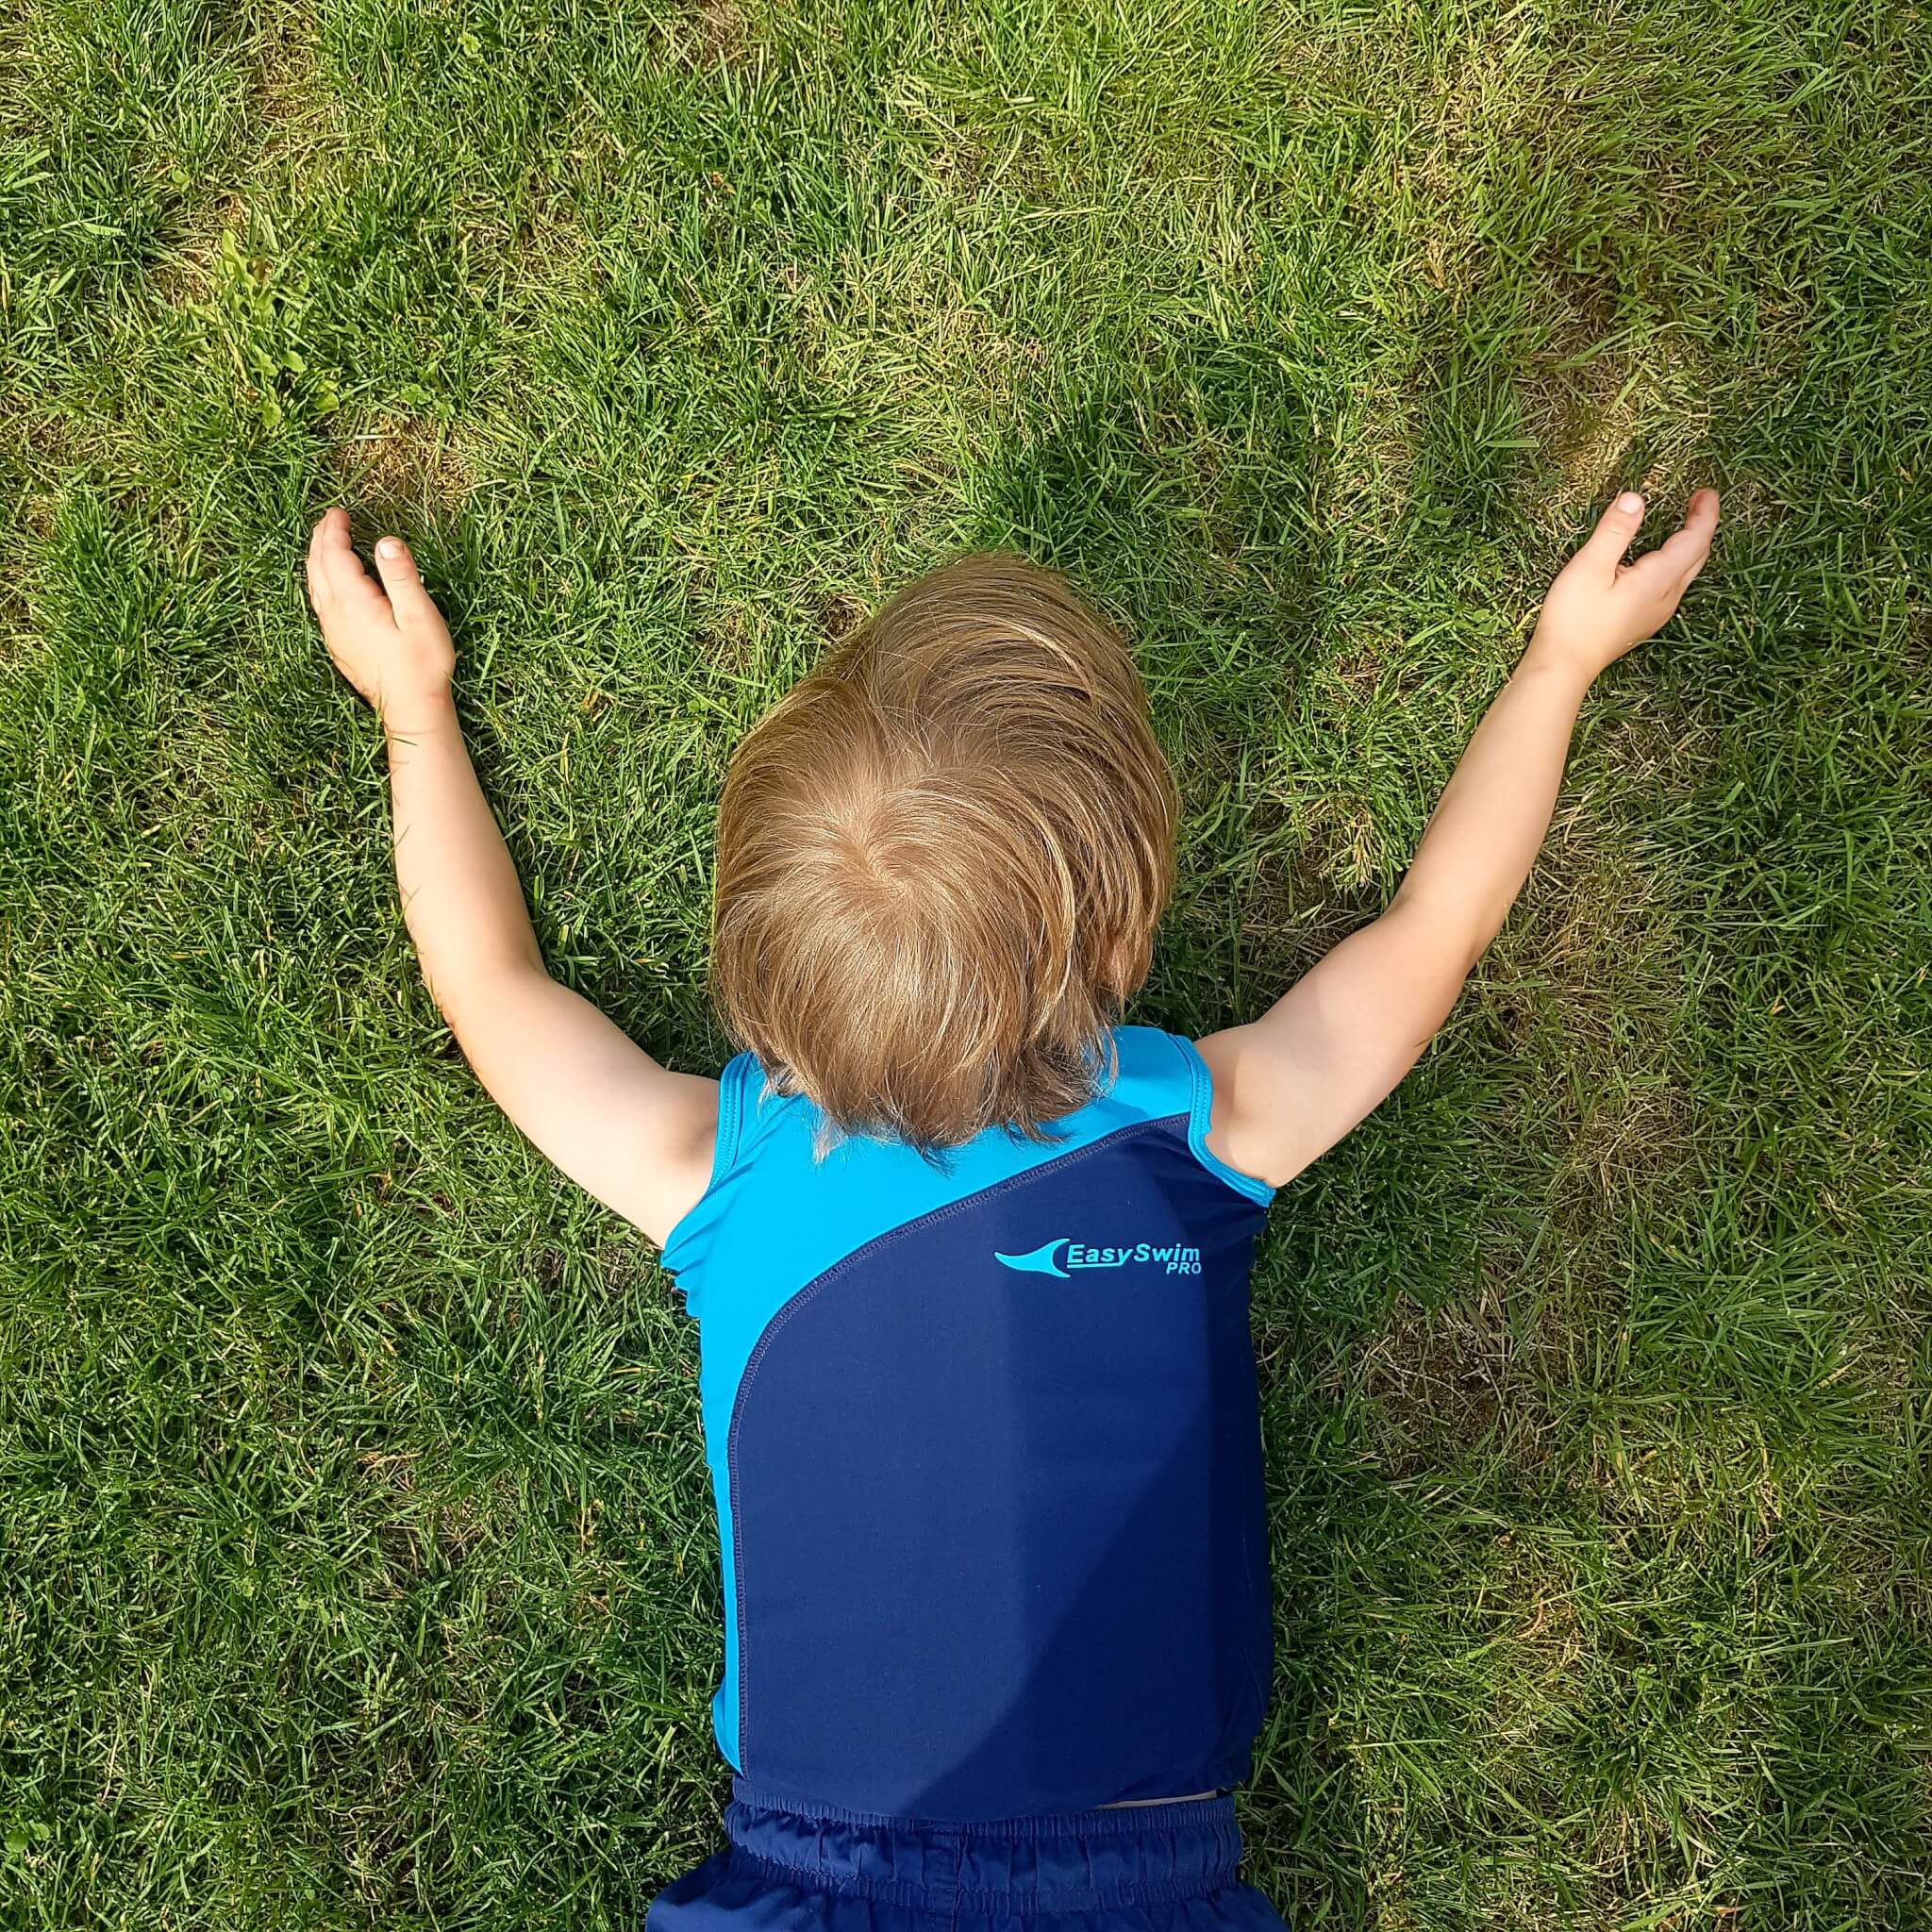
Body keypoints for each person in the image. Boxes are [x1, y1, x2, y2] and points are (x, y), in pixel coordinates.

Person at [305, 484, 1719, 1930]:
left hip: (817, 1884)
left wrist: (416, 715)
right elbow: (1438, 925)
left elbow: (491, 993)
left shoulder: (724, 1177)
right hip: (1141, 1885)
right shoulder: (1193, 1131)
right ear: (1115, 939)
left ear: (775, 974)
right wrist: (1560, 663)